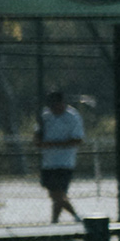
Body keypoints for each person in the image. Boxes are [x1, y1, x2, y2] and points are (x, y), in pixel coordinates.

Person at [35, 89, 85, 224]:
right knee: (56, 195)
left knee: (57, 193)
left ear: (62, 103)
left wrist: (53, 144)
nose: (53, 108)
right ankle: (57, 221)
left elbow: (77, 139)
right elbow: (37, 136)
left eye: (55, 104)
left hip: (65, 162)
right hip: (48, 162)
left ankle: (72, 217)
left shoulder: (72, 117)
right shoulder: (45, 115)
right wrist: (39, 141)